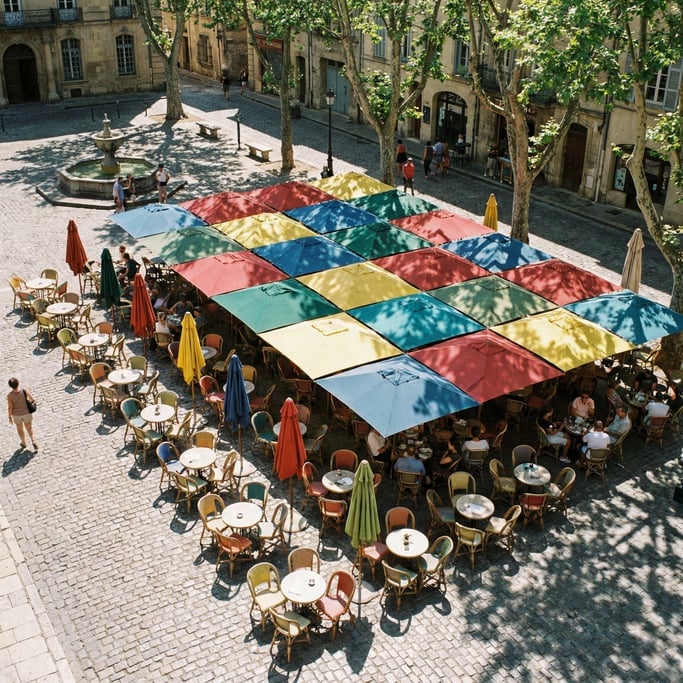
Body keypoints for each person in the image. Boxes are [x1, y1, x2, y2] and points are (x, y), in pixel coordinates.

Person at [7, 378, 37, 451]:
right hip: (26, 413)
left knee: (20, 429)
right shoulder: (24, 391)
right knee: (29, 428)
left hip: (17, 415)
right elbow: (32, 399)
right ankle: (33, 440)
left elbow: (10, 407)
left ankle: (24, 442)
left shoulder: (9, 395)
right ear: (18, 383)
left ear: (10, 386)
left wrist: (9, 416)